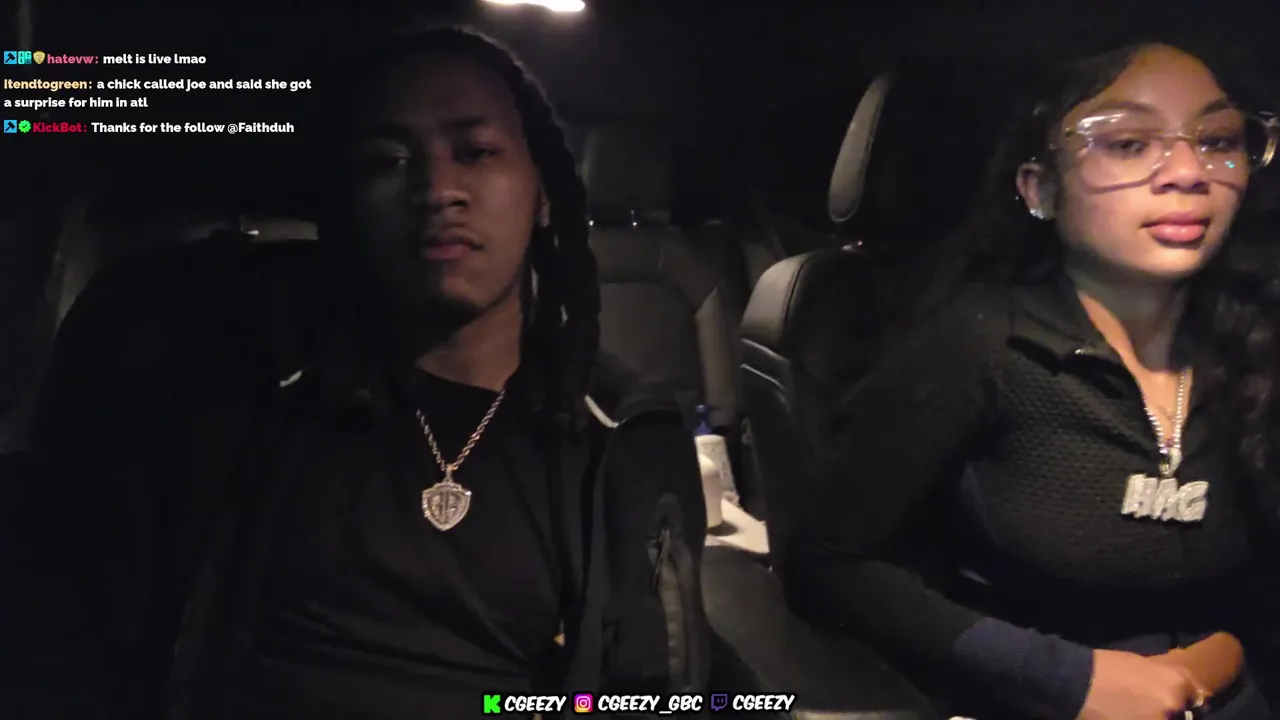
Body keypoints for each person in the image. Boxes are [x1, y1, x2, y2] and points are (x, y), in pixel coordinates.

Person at [1, 27, 709, 719]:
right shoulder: (244, 387)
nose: (437, 189)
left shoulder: (619, 439)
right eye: (386, 161)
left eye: (476, 152)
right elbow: (76, 637)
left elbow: (647, 695)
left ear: (543, 192)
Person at [784, 37, 1280, 720]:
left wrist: (1222, 652)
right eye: (1128, 143)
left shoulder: (1257, 340)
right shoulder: (977, 347)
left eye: (1217, 139)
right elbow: (825, 562)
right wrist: (1068, 677)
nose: (1190, 171)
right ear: (1040, 188)